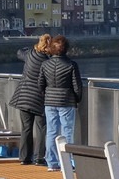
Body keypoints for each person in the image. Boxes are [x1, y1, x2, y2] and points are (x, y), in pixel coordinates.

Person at [38, 35, 82, 171]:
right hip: (66, 101)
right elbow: (77, 86)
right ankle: (66, 163)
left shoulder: (45, 64)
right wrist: (77, 99)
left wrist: (46, 95)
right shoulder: (71, 65)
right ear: (66, 49)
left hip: (50, 101)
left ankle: (52, 163)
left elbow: (40, 83)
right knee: (67, 132)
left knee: (51, 132)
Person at [9, 33, 51, 165]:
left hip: (24, 96)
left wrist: (32, 47)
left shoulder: (30, 55)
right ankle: (39, 157)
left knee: (26, 128)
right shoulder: (48, 61)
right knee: (41, 128)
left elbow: (19, 52)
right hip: (39, 98)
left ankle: (24, 158)